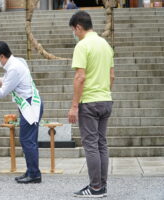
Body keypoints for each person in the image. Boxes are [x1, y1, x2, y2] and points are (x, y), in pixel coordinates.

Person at [0, 41, 44, 184]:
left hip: (30, 105)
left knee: (27, 140)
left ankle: (34, 174)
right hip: (27, 104)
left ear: (1, 56)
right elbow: (4, 82)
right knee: (28, 140)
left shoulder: (13, 68)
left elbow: (2, 92)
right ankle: (31, 170)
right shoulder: (14, 63)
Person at [67, 11, 115, 198]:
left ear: (78, 27)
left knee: (91, 145)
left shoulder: (82, 45)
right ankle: (101, 185)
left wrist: (74, 106)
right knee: (102, 143)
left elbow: (80, 77)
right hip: (105, 99)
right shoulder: (105, 44)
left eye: (74, 30)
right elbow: (111, 76)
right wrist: (104, 92)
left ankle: (95, 188)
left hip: (89, 101)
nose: (74, 33)